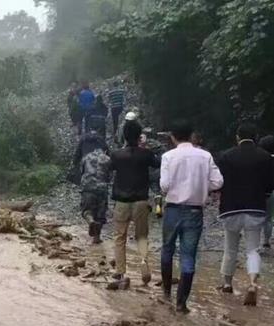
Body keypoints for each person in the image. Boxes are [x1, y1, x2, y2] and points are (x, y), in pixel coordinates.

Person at [159, 120, 224, 313]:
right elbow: (218, 182)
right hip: (195, 211)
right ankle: (181, 303)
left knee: (167, 249)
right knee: (188, 256)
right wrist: (201, 186)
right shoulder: (205, 156)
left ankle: (166, 292)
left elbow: (164, 186)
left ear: (173, 137)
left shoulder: (168, 156)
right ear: (191, 135)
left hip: (173, 209)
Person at [216, 124, 274, 306]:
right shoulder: (265, 157)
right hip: (255, 208)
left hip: (230, 208)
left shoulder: (226, 156)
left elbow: (219, 182)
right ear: (255, 137)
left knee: (230, 248)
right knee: (252, 249)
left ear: (237, 137)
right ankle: (252, 283)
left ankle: (226, 284)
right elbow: (270, 184)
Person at [110, 121, 160, 285]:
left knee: (120, 237)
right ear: (139, 136)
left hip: (122, 202)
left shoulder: (117, 155)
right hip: (140, 201)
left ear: (124, 136)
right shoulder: (145, 154)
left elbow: (109, 168)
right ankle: (144, 263)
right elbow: (157, 163)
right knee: (142, 236)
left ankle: (120, 272)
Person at [75, 131, 111, 244]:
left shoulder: (86, 158)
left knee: (86, 210)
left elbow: (81, 172)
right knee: (100, 214)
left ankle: (90, 220)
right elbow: (110, 176)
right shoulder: (107, 159)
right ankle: (97, 238)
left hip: (87, 187)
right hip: (102, 188)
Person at [259, 134, 274, 248]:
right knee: (268, 218)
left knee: (257, 217)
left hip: (259, 191)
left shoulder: (261, 159)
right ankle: (266, 240)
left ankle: (256, 243)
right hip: (272, 192)